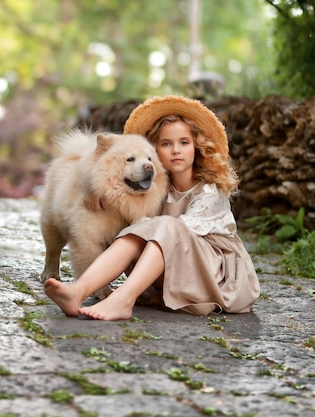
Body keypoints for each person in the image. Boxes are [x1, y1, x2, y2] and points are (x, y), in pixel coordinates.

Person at [44, 95, 260, 321]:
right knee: (133, 231)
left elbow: (172, 235)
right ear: (154, 151)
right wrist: (91, 188)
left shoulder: (209, 193)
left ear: (197, 147)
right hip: (174, 273)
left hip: (216, 279)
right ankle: (78, 291)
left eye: (184, 143)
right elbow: (105, 170)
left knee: (159, 226)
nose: (176, 150)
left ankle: (123, 300)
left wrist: (140, 223)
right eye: (166, 144)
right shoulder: (152, 189)